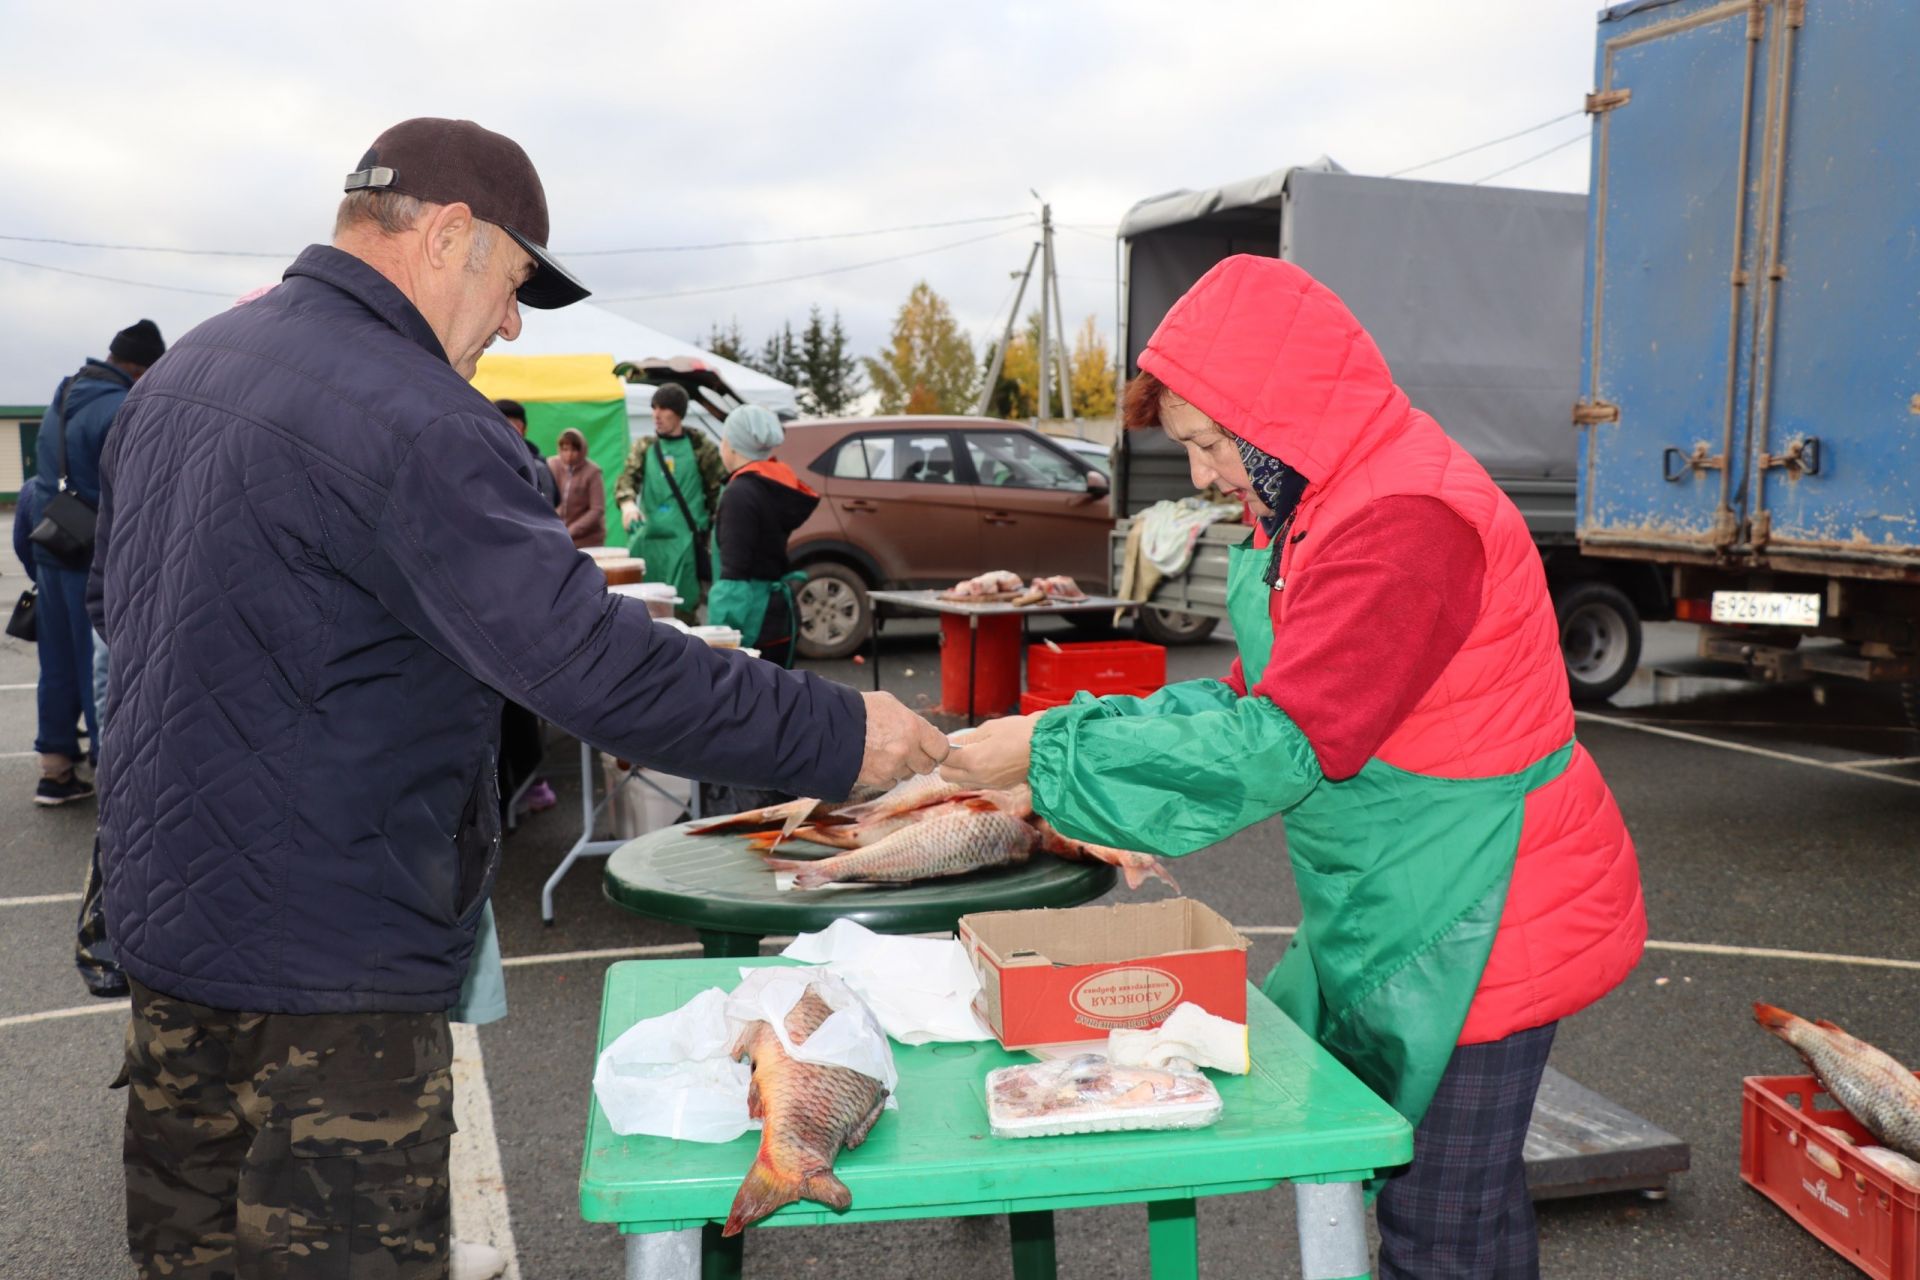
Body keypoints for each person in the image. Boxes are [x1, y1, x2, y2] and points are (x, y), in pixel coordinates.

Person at [89, 116, 947, 1279]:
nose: (508, 324)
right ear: (451, 235)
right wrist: (850, 732)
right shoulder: (415, 418)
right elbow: (596, 664)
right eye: (513, 287)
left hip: (171, 935)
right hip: (329, 976)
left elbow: (121, 610)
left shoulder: (191, 368)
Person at [943, 255, 1645, 1279]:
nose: (1200, 473)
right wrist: (1104, 785)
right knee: (1464, 1213)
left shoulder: (1404, 521)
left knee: (1439, 1230)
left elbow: (1283, 743)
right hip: (1413, 888)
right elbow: (1246, 696)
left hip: (1483, 907)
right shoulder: (1330, 499)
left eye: (1209, 441)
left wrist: (1050, 749)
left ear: (1275, 412)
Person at [29, 318, 164, 806]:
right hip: (92, 554)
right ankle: (111, 780)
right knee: (100, 669)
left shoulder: (64, 396)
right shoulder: (121, 407)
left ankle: (55, 769)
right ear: (137, 366)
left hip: (50, 543)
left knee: (58, 663)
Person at [706, 403, 815, 668]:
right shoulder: (773, 485)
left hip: (751, 620)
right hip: (778, 617)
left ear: (731, 445)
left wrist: (720, 636)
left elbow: (735, 570)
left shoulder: (739, 493)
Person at [616, 382, 726, 623]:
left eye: (664, 408)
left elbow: (718, 491)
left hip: (686, 542)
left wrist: (711, 529)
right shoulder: (645, 447)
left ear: (679, 413)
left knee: (684, 609)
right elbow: (627, 480)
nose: (656, 414)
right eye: (654, 407)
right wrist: (627, 504)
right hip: (650, 540)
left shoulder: (701, 448)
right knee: (646, 610)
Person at [495, 397, 560, 508]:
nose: (504, 434)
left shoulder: (537, 468)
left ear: (523, 430)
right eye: (498, 427)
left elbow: (546, 513)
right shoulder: (484, 461)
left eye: (511, 427)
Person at [547, 427, 605, 547]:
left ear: (582, 450)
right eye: (565, 449)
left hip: (587, 540)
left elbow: (597, 509)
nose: (569, 454)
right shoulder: (551, 465)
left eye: (573, 450)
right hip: (556, 537)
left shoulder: (593, 472)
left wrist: (572, 530)